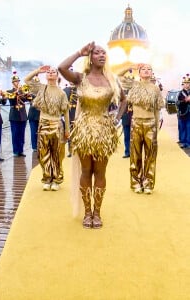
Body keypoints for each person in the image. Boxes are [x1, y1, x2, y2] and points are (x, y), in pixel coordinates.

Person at [58, 41, 127, 229]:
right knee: (86, 171)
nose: (101, 55)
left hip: (104, 132)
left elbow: (123, 100)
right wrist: (79, 52)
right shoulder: (81, 78)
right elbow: (61, 67)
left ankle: (97, 212)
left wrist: (117, 118)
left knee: (100, 172)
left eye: (104, 53)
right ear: (91, 57)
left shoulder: (112, 79)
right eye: (97, 53)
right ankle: (87, 212)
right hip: (84, 131)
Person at [25, 66, 70, 191]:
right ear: (46, 75)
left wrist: (67, 130)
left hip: (57, 125)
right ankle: (47, 178)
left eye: (53, 72)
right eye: (49, 72)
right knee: (43, 153)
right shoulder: (41, 88)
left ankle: (56, 179)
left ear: (57, 76)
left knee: (57, 154)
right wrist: (37, 71)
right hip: (43, 124)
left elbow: (66, 112)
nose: (50, 73)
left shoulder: (61, 92)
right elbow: (27, 80)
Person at [126, 64, 165, 194]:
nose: (146, 71)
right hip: (136, 123)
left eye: (149, 69)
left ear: (152, 73)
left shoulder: (155, 89)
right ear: (139, 72)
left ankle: (148, 183)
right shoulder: (134, 85)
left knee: (150, 155)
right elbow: (119, 77)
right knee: (135, 155)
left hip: (150, 123)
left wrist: (157, 127)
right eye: (144, 69)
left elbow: (157, 109)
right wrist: (129, 66)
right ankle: (136, 182)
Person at [6, 72, 31, 157]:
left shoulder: (22, 91)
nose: (18, 83)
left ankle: (21, 150)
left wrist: (26, 93)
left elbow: (27, 100)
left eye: (18, 81)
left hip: (23, 115)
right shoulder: (9, 91)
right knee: (15, 134)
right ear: (12, 83)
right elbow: (12, 100)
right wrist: (17, 91)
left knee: (21, 134)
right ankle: (16, 151)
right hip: (14, 115)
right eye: (16, 81)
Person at [63, 82, 78, 157]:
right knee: (69, 131)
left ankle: (78, 148)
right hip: (69, 112)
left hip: (77, 112)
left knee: (78, 131)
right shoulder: (65, 90)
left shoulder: (79, 89)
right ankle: (70, 150)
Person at [27, 75, 40, 152]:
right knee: (33, 131)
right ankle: (34, 146)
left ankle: (40, 144)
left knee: (40, 131)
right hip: (32, 114)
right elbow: (28, 99)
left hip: (40, 114)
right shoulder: (30, 93)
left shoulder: (41, 92)